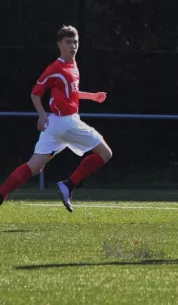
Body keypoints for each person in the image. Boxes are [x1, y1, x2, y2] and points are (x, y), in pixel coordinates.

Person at [0, 26, 112, 212]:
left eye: (75, 42)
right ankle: (69, 185)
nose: (72, 46)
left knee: (34, 167)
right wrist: (42, 115)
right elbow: (35, 93)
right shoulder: (55, 68)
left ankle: (1, 193)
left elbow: (72, 93)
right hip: (66, 123)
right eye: (68, 42)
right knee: (105, 153)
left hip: (56, 125)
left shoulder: (73, 65)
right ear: (59, 44)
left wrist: (92, 96)